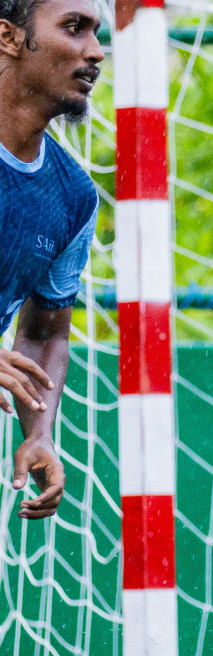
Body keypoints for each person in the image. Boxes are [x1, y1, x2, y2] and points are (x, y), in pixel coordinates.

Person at [0, 0, 101, 520]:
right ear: (8, 37)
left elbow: (44, 333)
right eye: (74, 28)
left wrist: (38, 433)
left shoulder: (74, 198)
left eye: (96, 33)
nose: (95, 51)